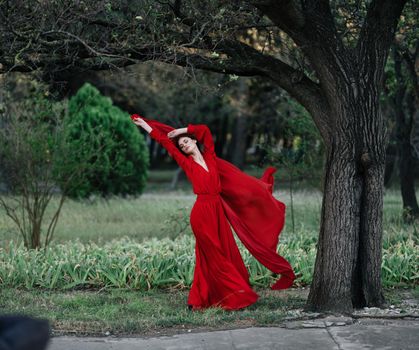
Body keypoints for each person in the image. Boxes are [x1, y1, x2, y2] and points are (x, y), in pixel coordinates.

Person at [131, 114, 295, 311]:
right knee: (214, 255)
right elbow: (165, 142)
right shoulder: (188, 164)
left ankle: (200, 299)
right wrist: (145, 125)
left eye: (186, 142)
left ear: (193, 141)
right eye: (181, 145)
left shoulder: (210, 158)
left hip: (218, 213)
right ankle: (235, 296)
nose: (183, 146)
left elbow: (205, 131)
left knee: (222, 254)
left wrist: (182, 131)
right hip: (202, 214)